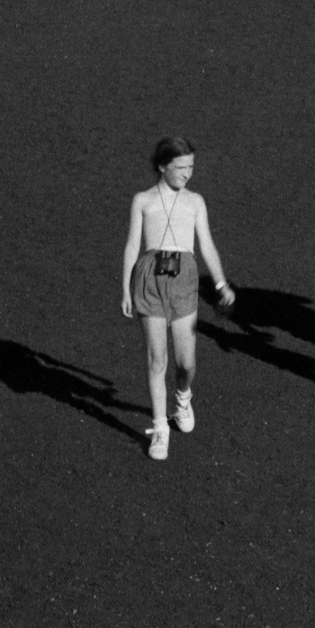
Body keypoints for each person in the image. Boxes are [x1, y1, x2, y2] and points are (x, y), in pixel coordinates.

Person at [119, 136, 234, 460]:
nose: (187, 173)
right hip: (149, 280)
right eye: (181, 167)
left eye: (191, 167)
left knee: (186, 363)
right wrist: (125, 288)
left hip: (184, 279)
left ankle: (183, 398)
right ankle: (160, 428)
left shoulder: (195, 202)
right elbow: (132, 244)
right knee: (157, 359)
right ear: (162, 166)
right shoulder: (142, 200)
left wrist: (221, 283)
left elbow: (206, 244)